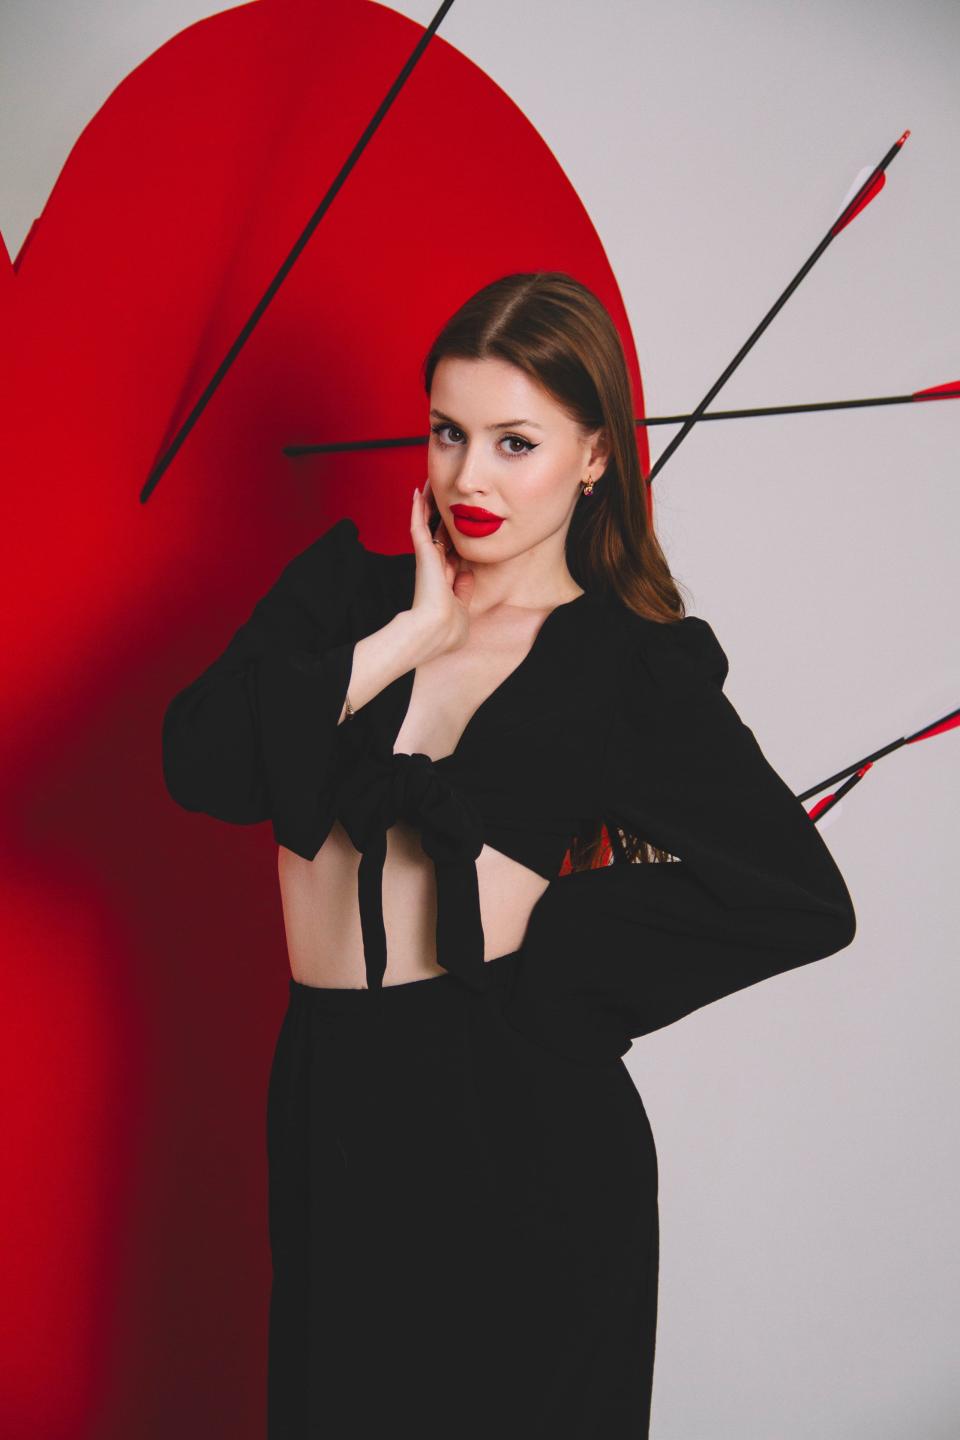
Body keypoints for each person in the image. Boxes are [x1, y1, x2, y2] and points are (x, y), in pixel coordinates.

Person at [161, 272, 857, 1438]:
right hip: (329, 1096)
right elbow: (201, 765)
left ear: (596, 456)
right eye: (449, 432)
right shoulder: (341, 596)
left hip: (520, 1126)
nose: (468, 477)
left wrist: (554, 961)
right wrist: (406, 640)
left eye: (515, 442)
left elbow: (799, 899)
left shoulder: (629, 666)